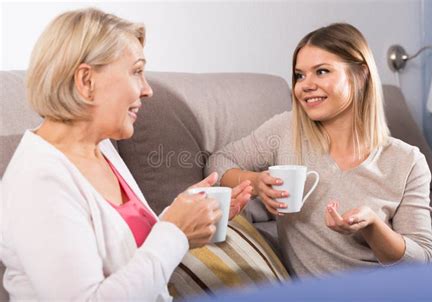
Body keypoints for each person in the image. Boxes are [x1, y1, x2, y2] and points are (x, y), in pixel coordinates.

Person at [0, 8, 252, 301]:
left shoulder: (101, 148)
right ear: (86, 81)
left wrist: (184, 215)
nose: (147, 90)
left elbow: (126, 251)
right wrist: (175, 232)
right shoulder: (38, 181)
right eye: (136, 71)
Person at [206, 23, 432, 277]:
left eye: (322, 71)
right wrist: (256, 183)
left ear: (361, 75)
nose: (305, 85)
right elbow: (218, 162)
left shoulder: (407, 161)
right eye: (300, 75)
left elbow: (421, 259)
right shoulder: (287, 131)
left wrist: (372, 226)